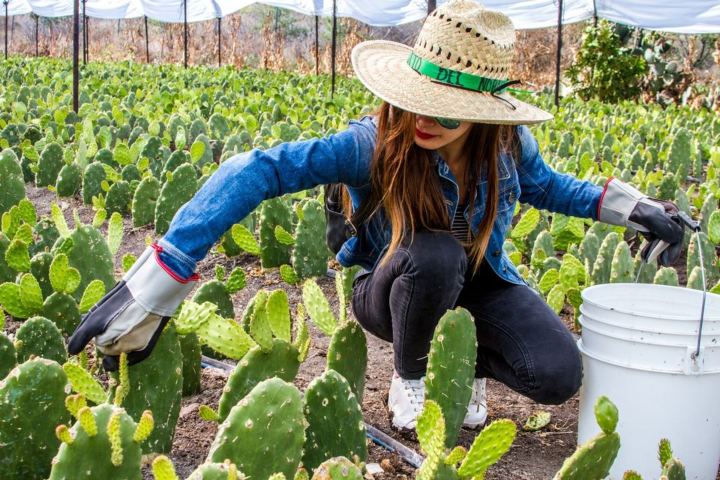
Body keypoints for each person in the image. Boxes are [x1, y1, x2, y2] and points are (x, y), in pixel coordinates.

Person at [68, 0, 684, 432]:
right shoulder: (374, 143)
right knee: (435, 253)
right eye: (416, 98)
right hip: (391, 287)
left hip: (479, 280)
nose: (422, 118)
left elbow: (556, 189)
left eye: (445, 112)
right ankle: (411, 381)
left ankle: (459, 364)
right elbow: (259, 168)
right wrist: (164, 273)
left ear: (484, 115)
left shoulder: (507, 147)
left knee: (557, 372)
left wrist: (638, 211)